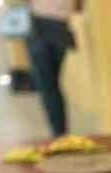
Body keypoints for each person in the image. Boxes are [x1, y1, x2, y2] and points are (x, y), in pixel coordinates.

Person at [25, 0, 82, 137]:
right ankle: (60, 133)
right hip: (60, 27)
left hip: (42, 26)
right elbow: (79, 7)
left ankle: (59, 134)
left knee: (48, 86)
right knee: (51, 86)